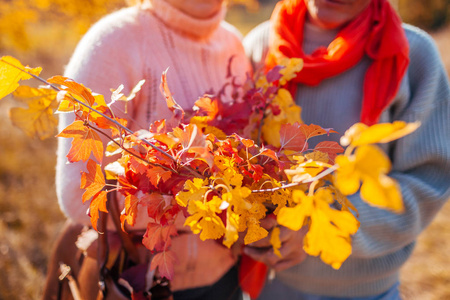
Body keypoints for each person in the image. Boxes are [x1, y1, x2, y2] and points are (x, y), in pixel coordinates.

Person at [43, 0, 251, 299]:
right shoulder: (114, 42)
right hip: (136, 283)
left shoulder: (233, 43)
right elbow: (80, 194)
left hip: (226, 279)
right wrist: (212, 208)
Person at [242, 0, 450, 299]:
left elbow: (428, 182)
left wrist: (320, 223)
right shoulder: (260, 45)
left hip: (367, 291)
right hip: (267, 286)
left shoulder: (413, 54)